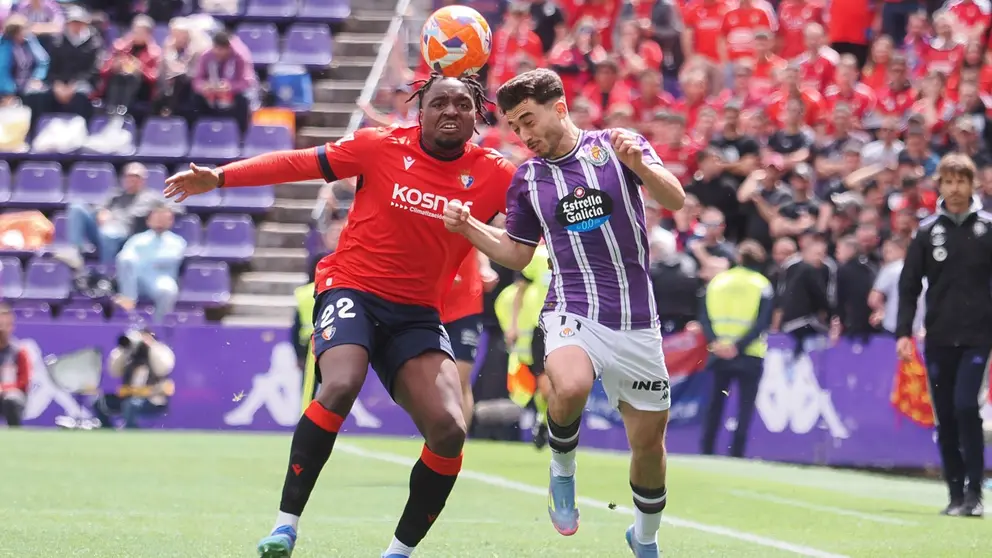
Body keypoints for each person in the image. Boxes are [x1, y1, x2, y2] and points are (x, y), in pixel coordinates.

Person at [164, 73, 514, 558]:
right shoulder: (379, 146)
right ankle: (285, 526)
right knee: (341, 383)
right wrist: (220, 176)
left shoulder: (498, 174)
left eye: (461, 103)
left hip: (416, 315)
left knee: (451, 430)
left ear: (477, 115)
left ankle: (398, 552)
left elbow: (543, 218)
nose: (450, 111)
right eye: (439, 103)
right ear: (421, 110)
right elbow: (296, 163)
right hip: (352, 287)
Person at [442, 68, 685, 558]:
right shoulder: (528, 178)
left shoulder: (617, 146)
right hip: (572, 307)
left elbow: (674, 200)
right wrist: (470, 228)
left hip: (637, 322)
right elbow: (515, 253)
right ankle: (562, 470)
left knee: (648, 448)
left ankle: (644, 536)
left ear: (559, 107)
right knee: (569, 386)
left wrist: (643, 165)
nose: (524, 134)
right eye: (514, 126)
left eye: (528, 119)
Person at [896, 153, 991, 517]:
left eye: (961, 181)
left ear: (973, 185)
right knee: (946, 416)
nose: (955, 189)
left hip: (979, 336)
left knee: (967, 406)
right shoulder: (926, 232)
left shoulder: (988, 228)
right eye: (948, 182)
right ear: (940, 186)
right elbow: (908, 285)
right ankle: (955, 494)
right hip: (937, 336)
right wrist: (904, 332)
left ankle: (975, 494)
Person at [698, 240, 773, 458]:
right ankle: (737, 453)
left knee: (714, 404)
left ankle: (707, 450)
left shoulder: (717, 282)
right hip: (749, 353)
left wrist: (716, 343)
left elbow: (704, 317)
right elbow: (761, 322)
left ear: (739, 258)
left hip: (718, 352)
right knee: (745, 406)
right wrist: (737, 347)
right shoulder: (762, 284)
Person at [439, 249, 497, 430]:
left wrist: (485, 267)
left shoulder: (467, 219)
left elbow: (476, 239)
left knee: (460, 379)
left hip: (467, 305)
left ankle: (457, 441)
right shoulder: (424, 220)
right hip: (432, 303)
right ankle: (437, 436)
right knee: (436, 379)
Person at [114, 202, 186, 323]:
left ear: (171, 221)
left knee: (168, 290)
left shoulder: (177, 242)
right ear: (149, 220)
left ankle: (158, 326)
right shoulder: (137, 240)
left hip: (160, 279)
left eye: (164, 219)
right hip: (137, 280)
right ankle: (128, 306)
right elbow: (124, 259)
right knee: (125, 259)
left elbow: (170, 259)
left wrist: (143, 261)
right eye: (157, 218)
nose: (160, 222)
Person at [92, 328, 175, 429]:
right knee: (100, 403)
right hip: (129, 398)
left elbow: (163, 368)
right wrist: (124, 349)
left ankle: (131, 431)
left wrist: (151, 345)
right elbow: (113, 371)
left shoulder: (158, 352)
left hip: (152, 400)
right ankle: (107, 430)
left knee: (130, 404)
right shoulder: (129, 356)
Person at [0, 303, 31, 427]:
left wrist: (3, 389)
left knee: (12, 400)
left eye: (5, 325)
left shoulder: (19, 351)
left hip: (11, 394)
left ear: (11, 326)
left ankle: (15, 433)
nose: (1, 329)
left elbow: (24, 381)